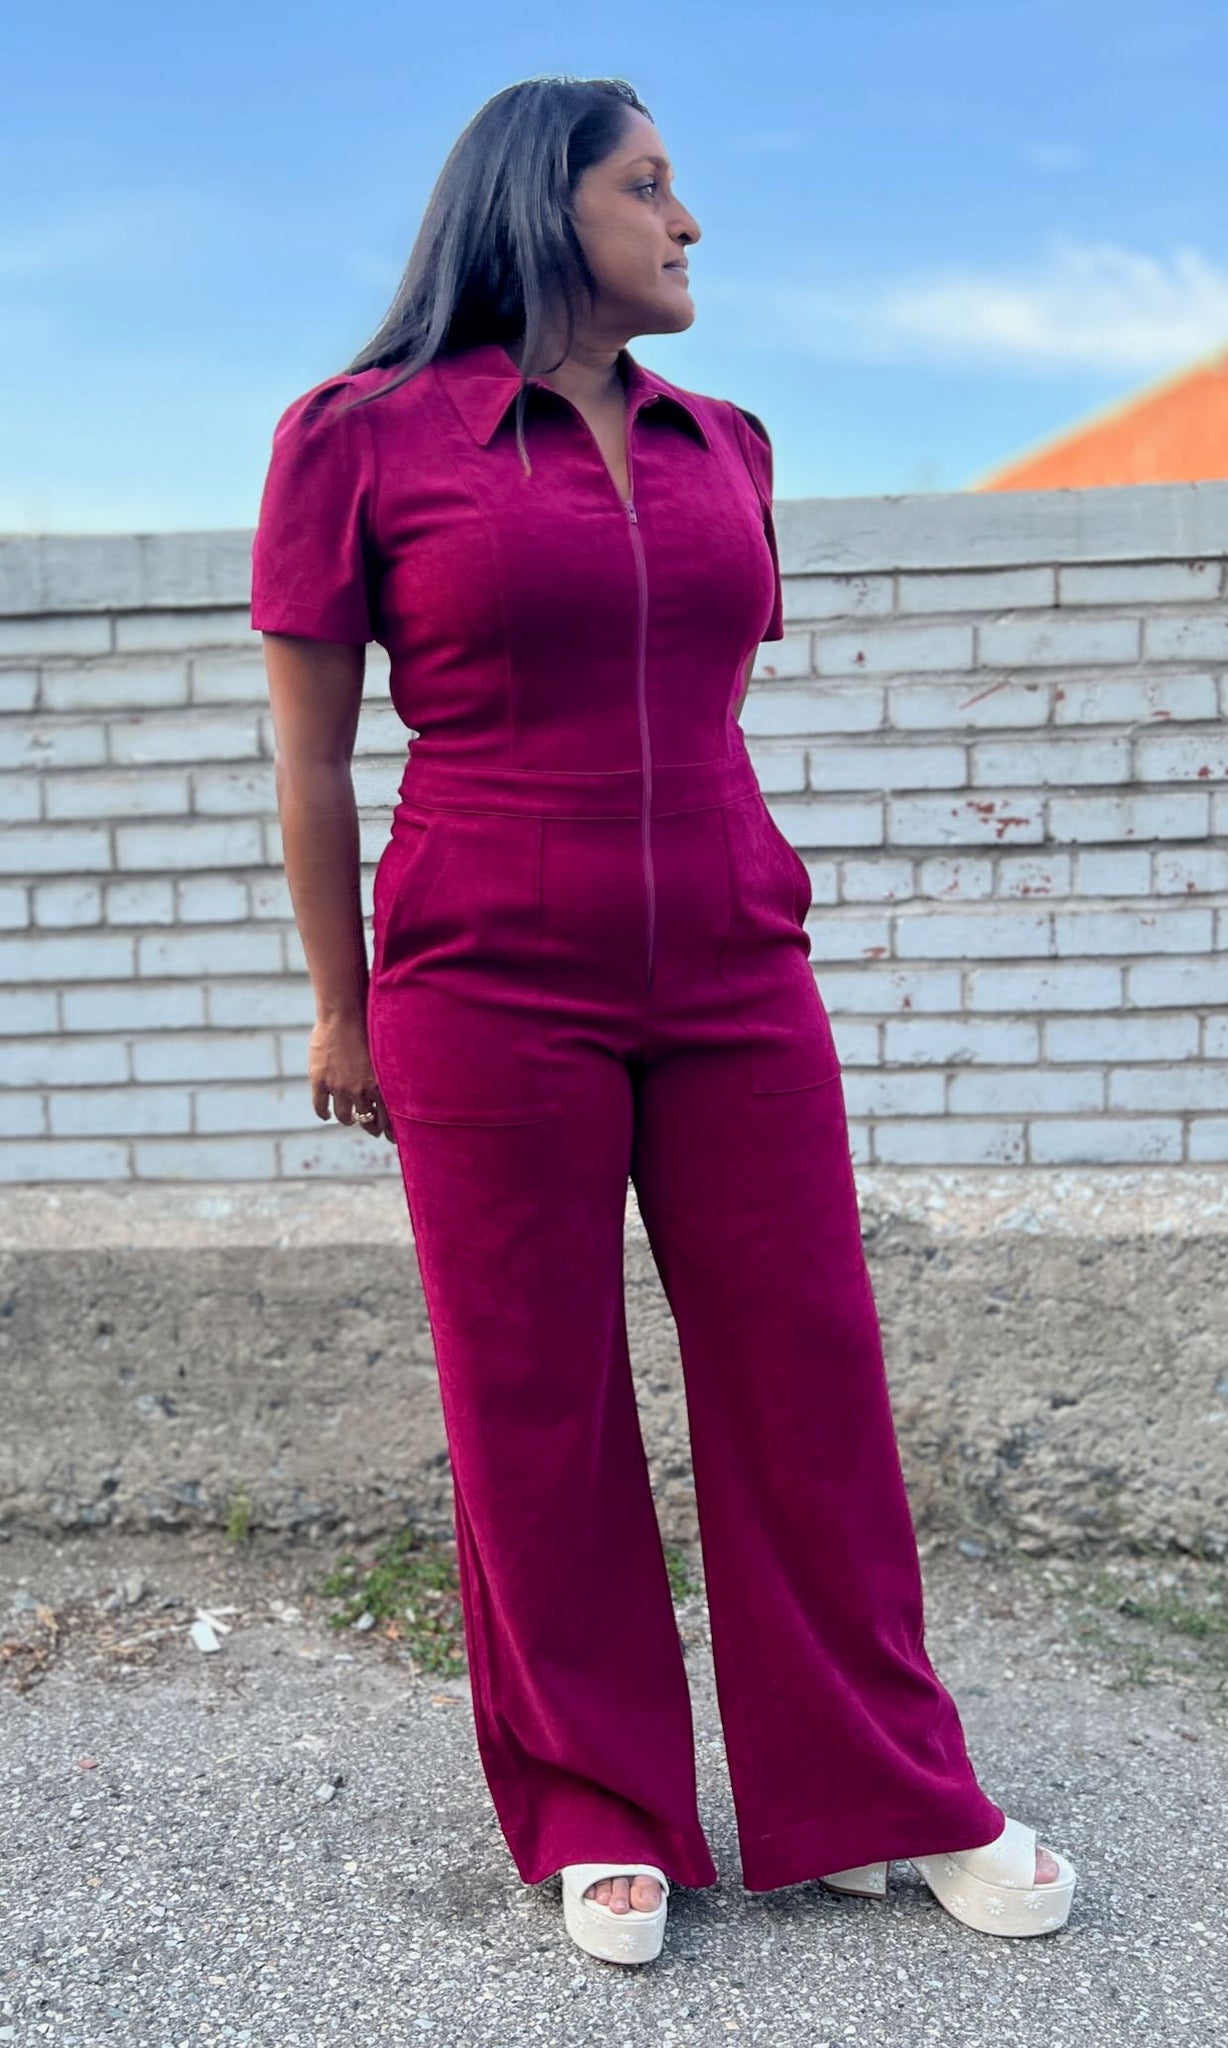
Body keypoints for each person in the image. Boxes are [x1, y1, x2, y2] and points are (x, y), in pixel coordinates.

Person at [250, 74, 1078, 1966]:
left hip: (730, 960)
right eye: (648, 185)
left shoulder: (730, 446)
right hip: (482, 975)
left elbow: (692, 704)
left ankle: (880, 1791)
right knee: (534, 1399)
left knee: (809, 1372)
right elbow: (310, 765)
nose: (688, 221)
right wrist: (340, 1008)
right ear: (540, 209)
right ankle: (601, 1807)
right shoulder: (357, 439)